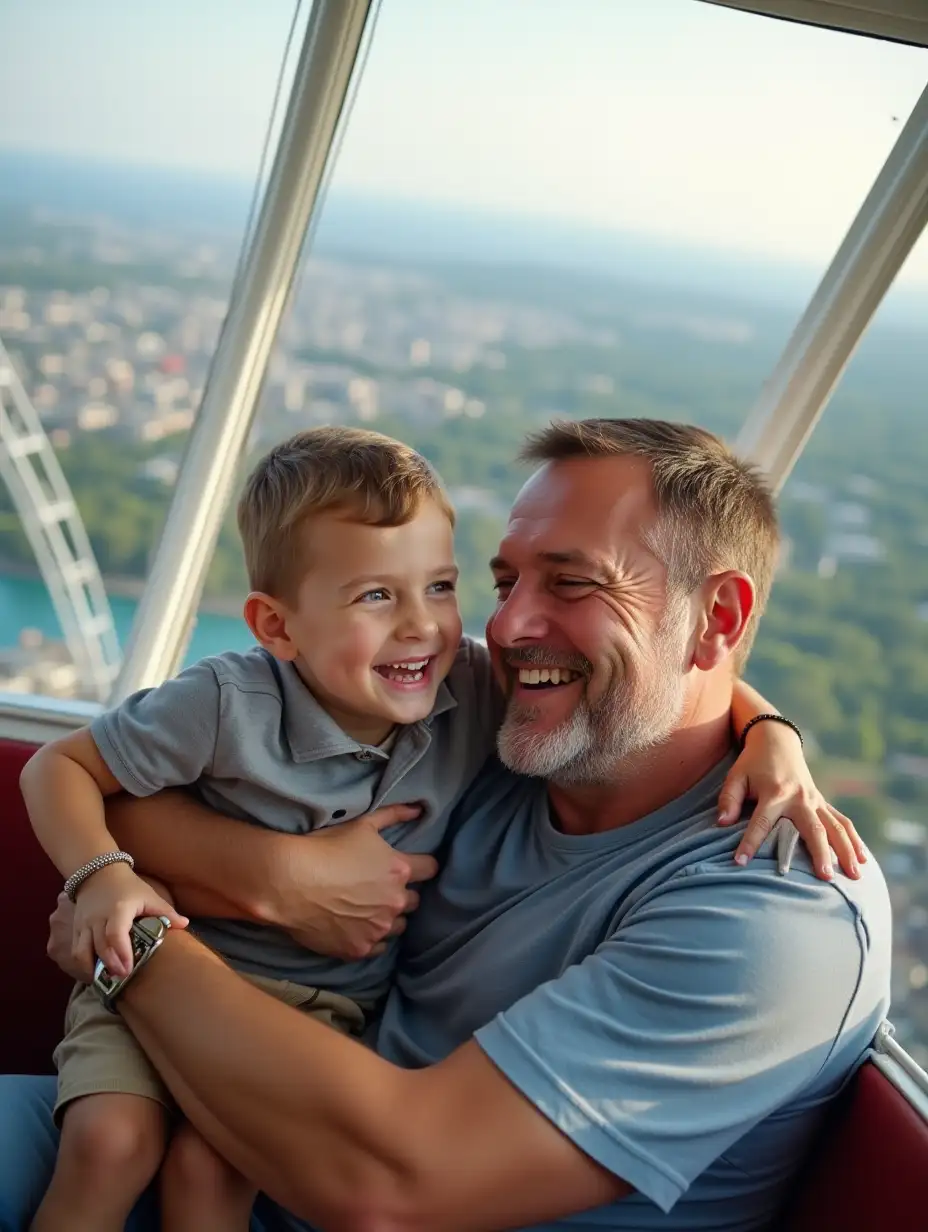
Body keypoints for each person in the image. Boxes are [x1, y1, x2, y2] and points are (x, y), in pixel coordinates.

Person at [2, 418, 880, 1231]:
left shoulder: (773, 908)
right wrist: (274, 880)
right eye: (503, 583)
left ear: (716, 618)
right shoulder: (514, 733)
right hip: (220, 1123)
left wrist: (133, 950)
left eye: (571, 582)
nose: (506, 626)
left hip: (306, 1169)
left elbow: (388, 1186)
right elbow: (106, 791)